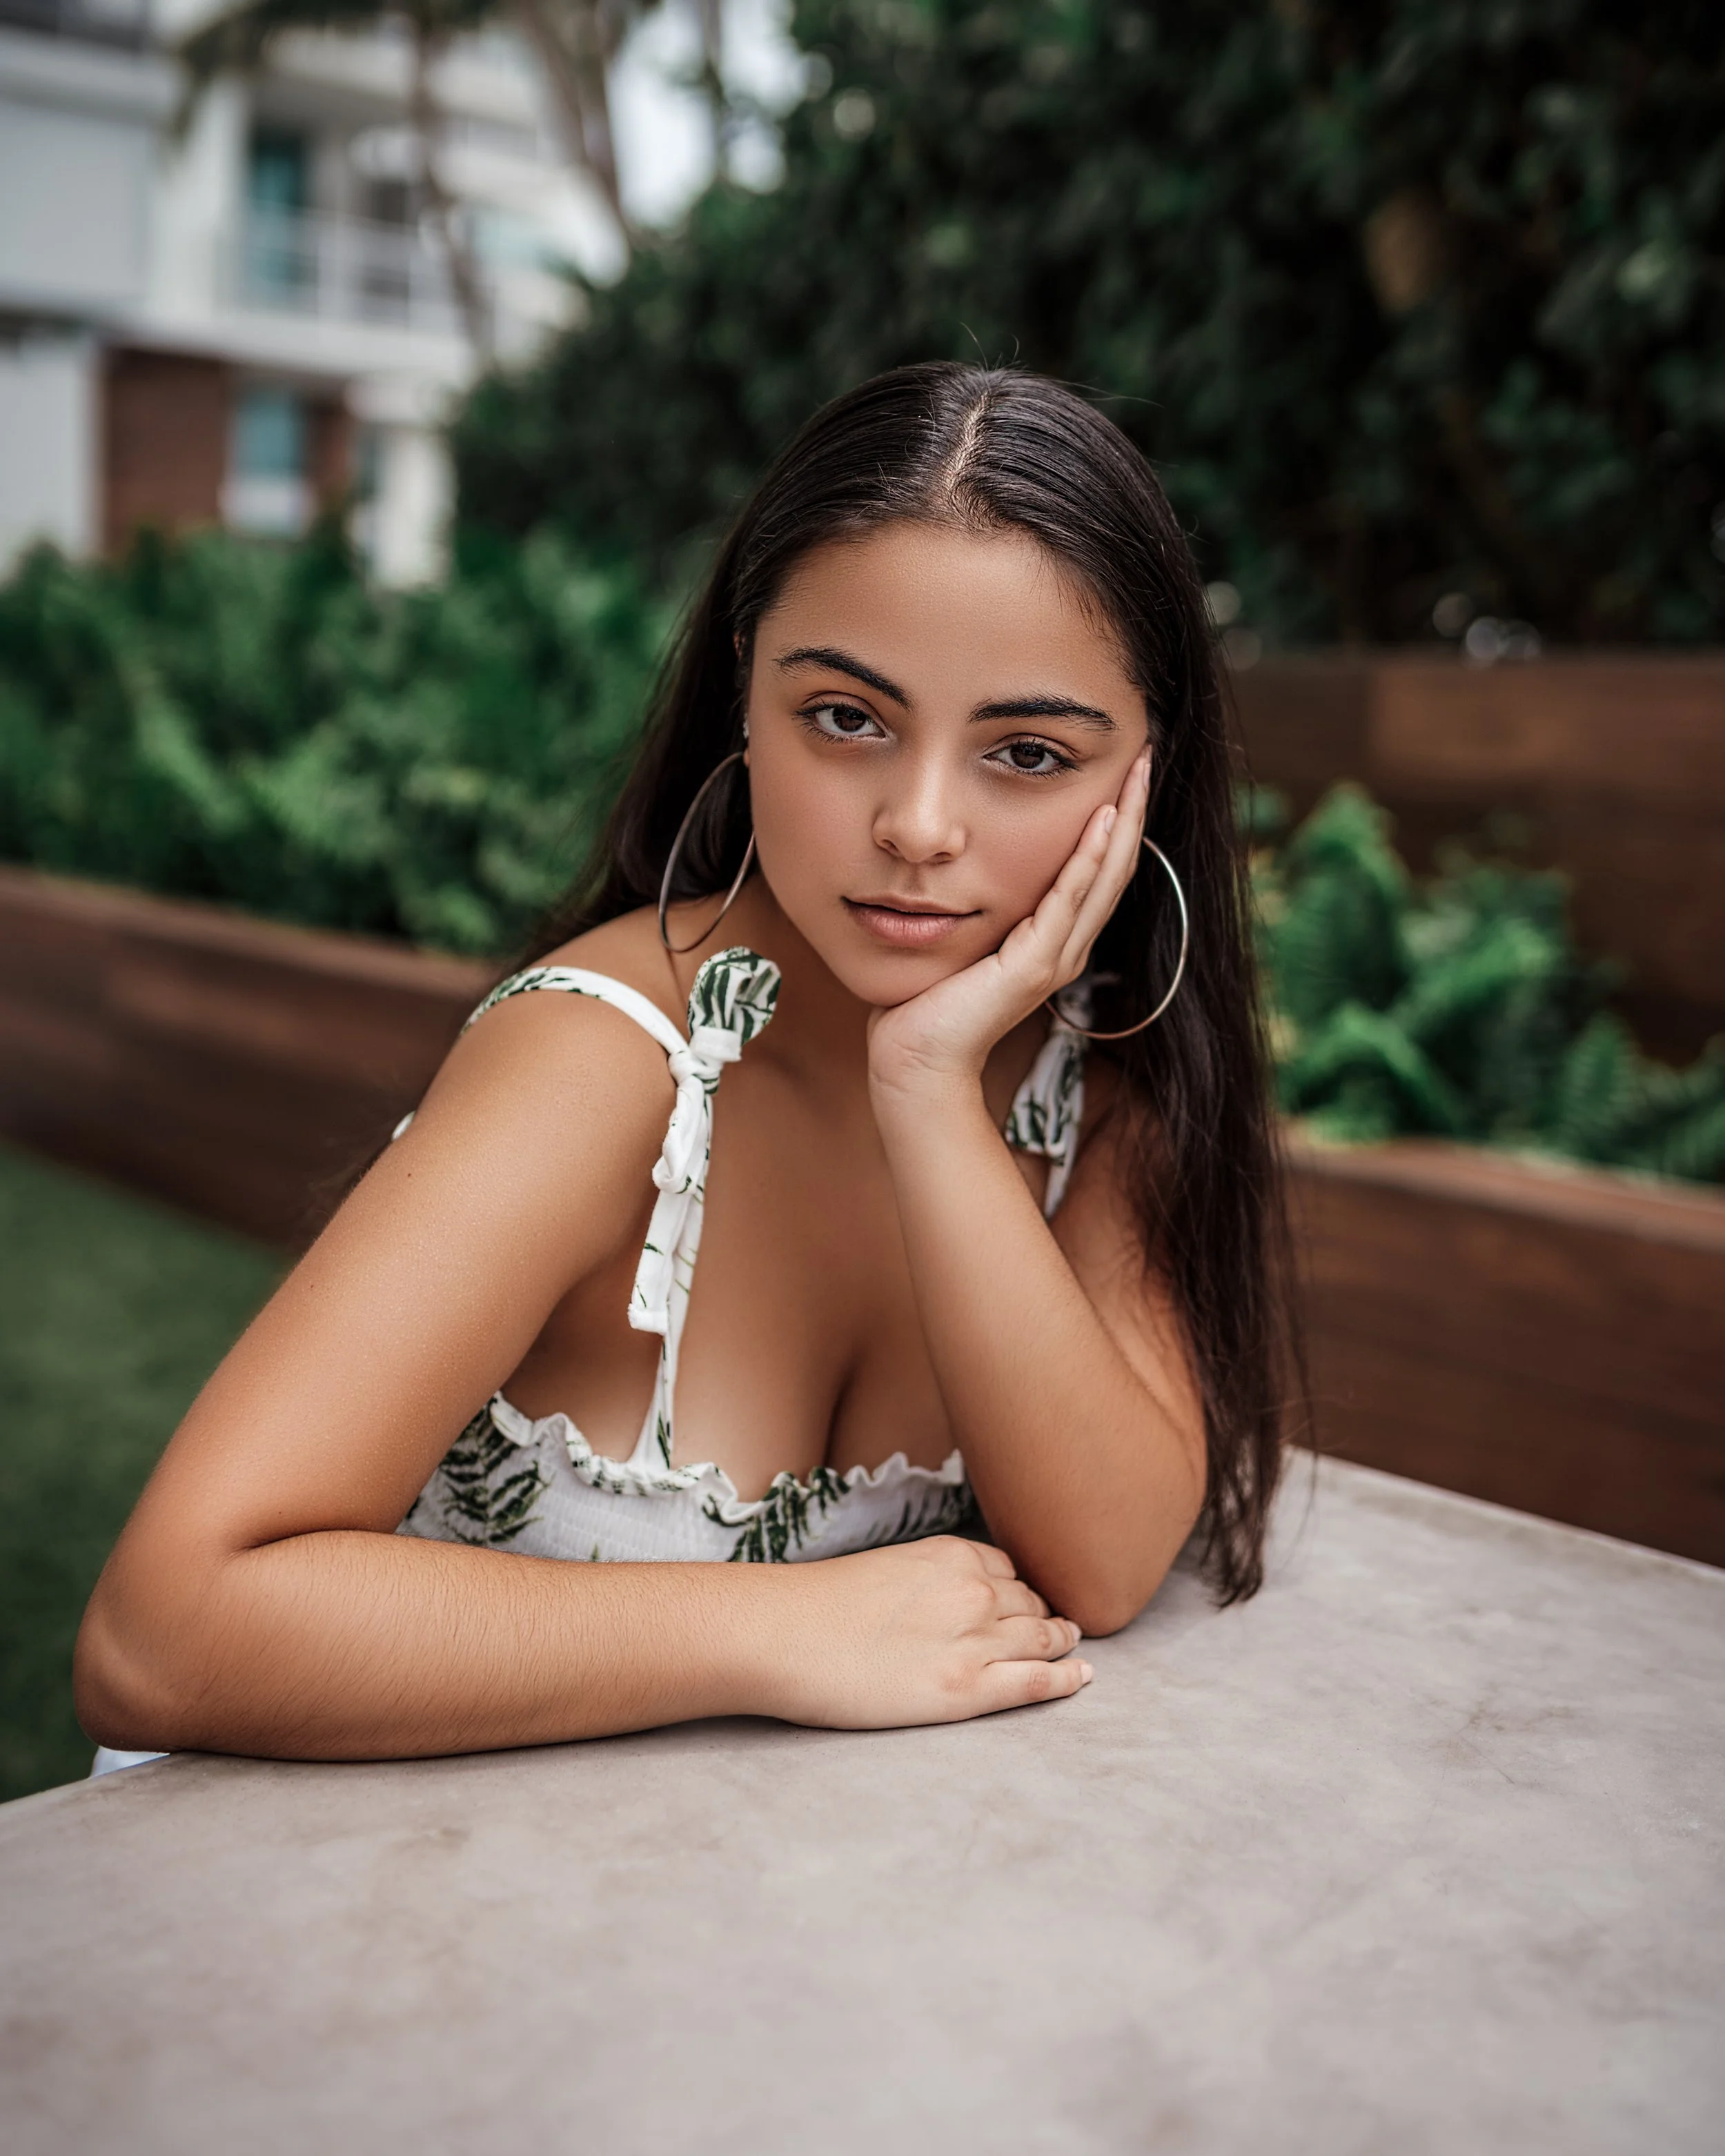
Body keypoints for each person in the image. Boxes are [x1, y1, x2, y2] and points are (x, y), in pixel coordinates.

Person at [76, 363, 1292, 1766]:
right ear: (745, 692)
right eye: (846, 717)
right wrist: (779, 1629)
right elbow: (162, 1634)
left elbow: (1105, 1563)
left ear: (1146, 771)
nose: (917, 825)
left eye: (1026, 751)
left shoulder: (1092, 1089)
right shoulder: (600, 1066)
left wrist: (929, 1094)